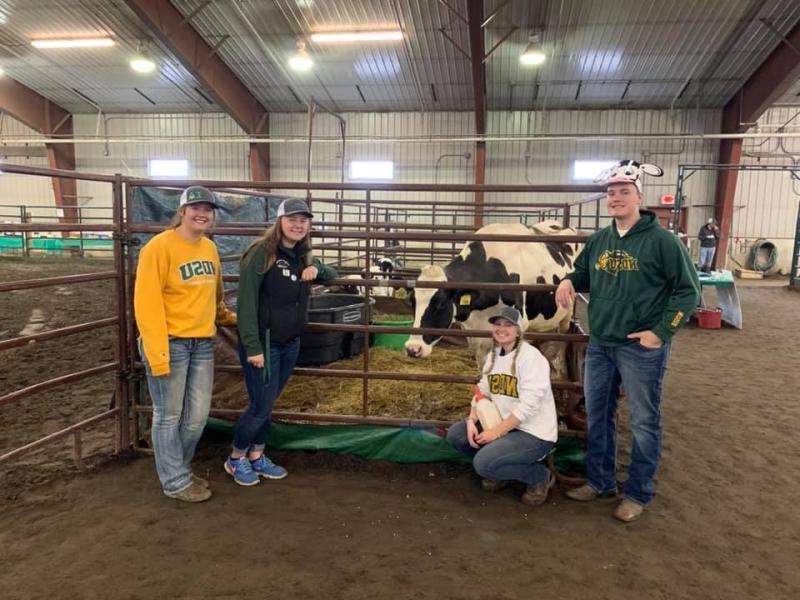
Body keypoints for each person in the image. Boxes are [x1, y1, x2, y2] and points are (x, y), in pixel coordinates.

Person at [555, 162, 700, 522]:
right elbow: (584, 271)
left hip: (641, 347)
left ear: (640, 197)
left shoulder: (663, 241)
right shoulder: (600, 239)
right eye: (611, 192)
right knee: (599, 415)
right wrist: (569, 280)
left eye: (624, 192)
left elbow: (688, 292)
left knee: (643, 420)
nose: (616, 198)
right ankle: (600, 481)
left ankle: (638, 492)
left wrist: (662, 331)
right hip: (601, 343)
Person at [134, 186, 236, 503]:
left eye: (207, 209)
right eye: (195, 208)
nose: (201, 214)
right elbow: (146, 304)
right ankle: (176, 481)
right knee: (168, 415)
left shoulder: (209, 249)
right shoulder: (158, 248)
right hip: (169, 342)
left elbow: (215, 295)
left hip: (201, 343)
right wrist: (158, 352)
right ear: (182, 211)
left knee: (196, 417)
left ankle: (180, 469)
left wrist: (229, 318)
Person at [225, 198, 337, 486]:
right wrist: (253, 347)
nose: (298, 225)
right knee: (260, 406)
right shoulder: (261, 253)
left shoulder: (302, 254)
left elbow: (333, 275)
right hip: (265, 344)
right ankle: (236, 458)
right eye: (292, 219)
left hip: (290, 343)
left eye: (303, 220)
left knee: (268, 403)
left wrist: (318, 271)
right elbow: (246, 303)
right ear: (280, 221)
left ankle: (257, 455)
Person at [446, 306, 559, 506]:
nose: (501, 329)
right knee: (457, 435)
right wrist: (472, 419)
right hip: (503, 426)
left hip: (532, 433)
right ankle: (501, 467)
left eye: (508, 325)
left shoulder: (531, 358)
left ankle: (540, 477)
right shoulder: (494, 356)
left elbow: (528, 406)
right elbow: (482, 390)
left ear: (518, 330)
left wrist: (495, 432)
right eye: (498, 324)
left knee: (482, 464)